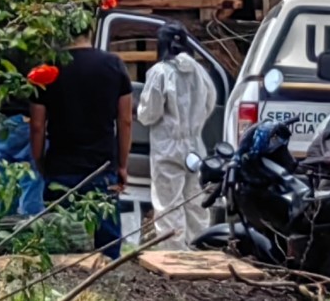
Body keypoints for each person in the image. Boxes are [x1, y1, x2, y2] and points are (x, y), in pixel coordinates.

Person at [30, 22, 132, 260]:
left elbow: (36, 125)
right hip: (102, 169)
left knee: (60, 247)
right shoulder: (114, 65)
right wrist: (122, 165)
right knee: (107, 253)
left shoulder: (48, 69)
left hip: (60, 169)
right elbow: (125, 120)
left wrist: (40, 162)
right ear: (91, 32)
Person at [137, 23, 216, 250]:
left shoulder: (160, 72)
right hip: (195, 145)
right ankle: (201, 251)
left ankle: (174, 255)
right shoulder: (199, 71)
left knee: (168, 204)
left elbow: (149, 113)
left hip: (168, 147)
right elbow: (210, 102)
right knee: (196, 202)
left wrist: (138, 111)